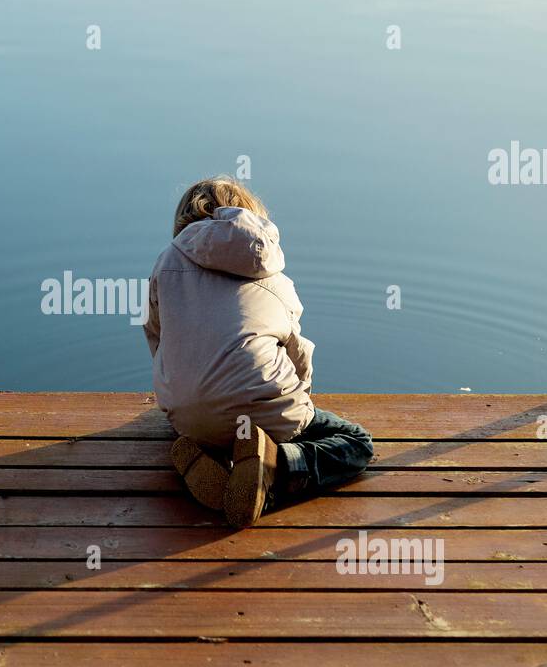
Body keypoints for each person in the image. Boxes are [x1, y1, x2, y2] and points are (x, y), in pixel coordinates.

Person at [143, 176, 374, 528]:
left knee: (209, 416)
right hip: (266, 412)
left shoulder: (165, 264)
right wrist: (301, 404)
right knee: (356, 443)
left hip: (188, 416)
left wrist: (177, 389)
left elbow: (157, 334)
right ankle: (275, 470)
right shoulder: (274, 276)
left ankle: (212, 459)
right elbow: (298, 353)